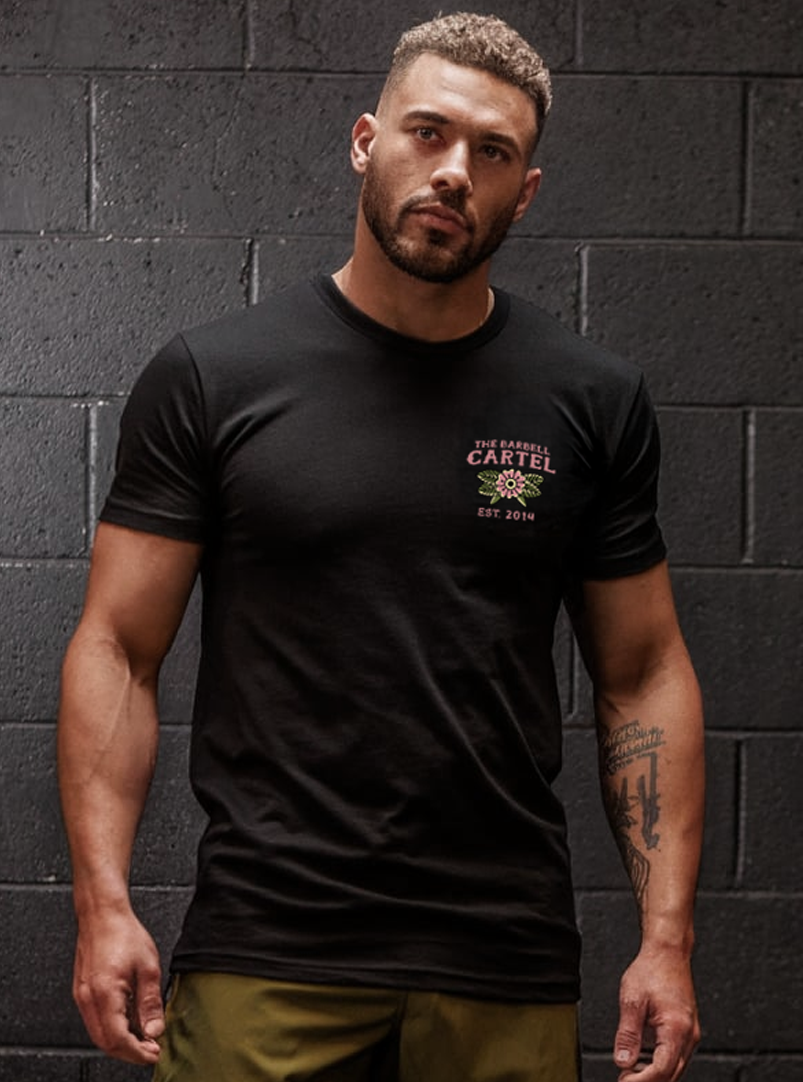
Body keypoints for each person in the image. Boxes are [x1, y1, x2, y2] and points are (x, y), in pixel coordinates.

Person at [58, 12, 704, 1082]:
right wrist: (102, 901)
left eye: (491, 152)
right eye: (427, 132)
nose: (453, 171)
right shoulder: (215, 378)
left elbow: (642, 674)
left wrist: (666, 938)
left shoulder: (590, 399)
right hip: (268, 946)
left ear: (524, 191)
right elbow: (118, 648)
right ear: (367, 141)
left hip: (502, 960)